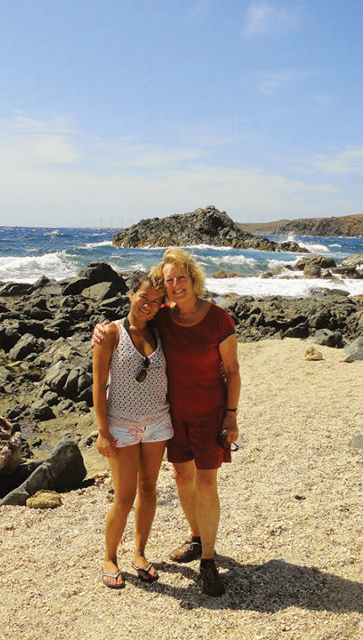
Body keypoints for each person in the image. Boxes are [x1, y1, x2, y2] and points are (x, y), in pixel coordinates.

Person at [94, 248, 241, 596]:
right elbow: (131, 325)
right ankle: (182, 539)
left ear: (193, 280)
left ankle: (198, 560)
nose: (174, 287)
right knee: (161, 484)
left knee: (191, 486)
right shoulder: (152, 321)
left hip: (189, 418)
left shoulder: (205, 320)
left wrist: (231, 414)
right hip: (155, 419)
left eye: (180, 279)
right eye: (168, 281)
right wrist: (101, 329)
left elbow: (232, 371)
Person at [92, 270, 171, 590]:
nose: (149, 305)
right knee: (124, 497)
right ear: (130, 294)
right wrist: (102, 431)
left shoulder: (161, 330)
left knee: (149, 488)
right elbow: (98, 387)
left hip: (158, 424)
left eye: (156, 301)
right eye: (143, 298)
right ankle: (110, 558)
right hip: (121, 425)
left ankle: (139, 553)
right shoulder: (109, 333)